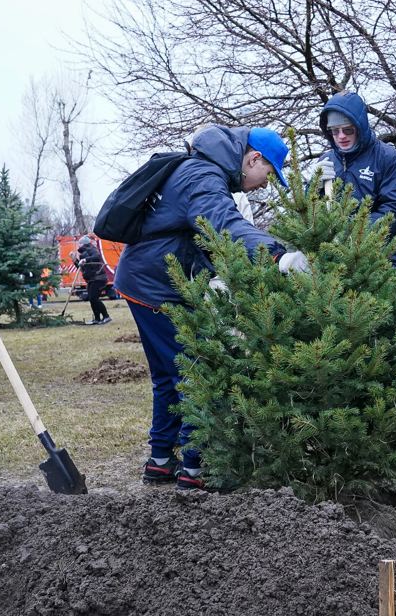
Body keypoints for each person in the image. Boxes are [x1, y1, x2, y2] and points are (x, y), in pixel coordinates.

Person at [114, 125, 300, 491]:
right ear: (254, 159)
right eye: (269, 175)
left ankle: (162, 461)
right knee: (196, 371)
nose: (267, 184)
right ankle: (196, 468)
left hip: (145, 279)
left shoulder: (202, 169)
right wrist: (278, 254)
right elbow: (225, 225)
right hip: (158, 285)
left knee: (169, 375)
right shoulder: (203, 175)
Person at [313, 92, 396, 263]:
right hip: (337, 261)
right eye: (335, 131)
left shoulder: (388, 158)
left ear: (360, 127)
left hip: (383, 258)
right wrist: (313, 187)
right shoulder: (326, 161)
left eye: (348, 130)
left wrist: (350, 231)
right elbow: (310, 209)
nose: (341, 136)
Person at [74, 236, 111, 324]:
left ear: (84, 243)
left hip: (98, 278)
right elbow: (81, 268)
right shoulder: (83, 253)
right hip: (91, 279)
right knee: (91, 299)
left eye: (80, 243)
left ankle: (106, 316)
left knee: (94, 298)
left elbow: (97, 257)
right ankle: (97, 319)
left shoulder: (91, 249)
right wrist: (75, 260)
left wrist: (85, 259)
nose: (79, 245)